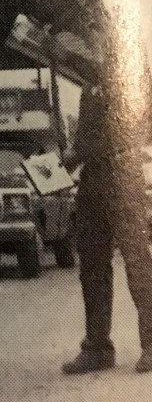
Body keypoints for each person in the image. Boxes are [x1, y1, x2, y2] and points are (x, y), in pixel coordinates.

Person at [52, 26, 152, 374]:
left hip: (123, 177)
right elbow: (88, 136)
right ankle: (97, 348)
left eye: (100, 35)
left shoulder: (131, 73)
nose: (95, 40)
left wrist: (70, 55)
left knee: (138, 264)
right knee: (92, 265)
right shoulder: (89, 84)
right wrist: (72, 155)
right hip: (93, 179)